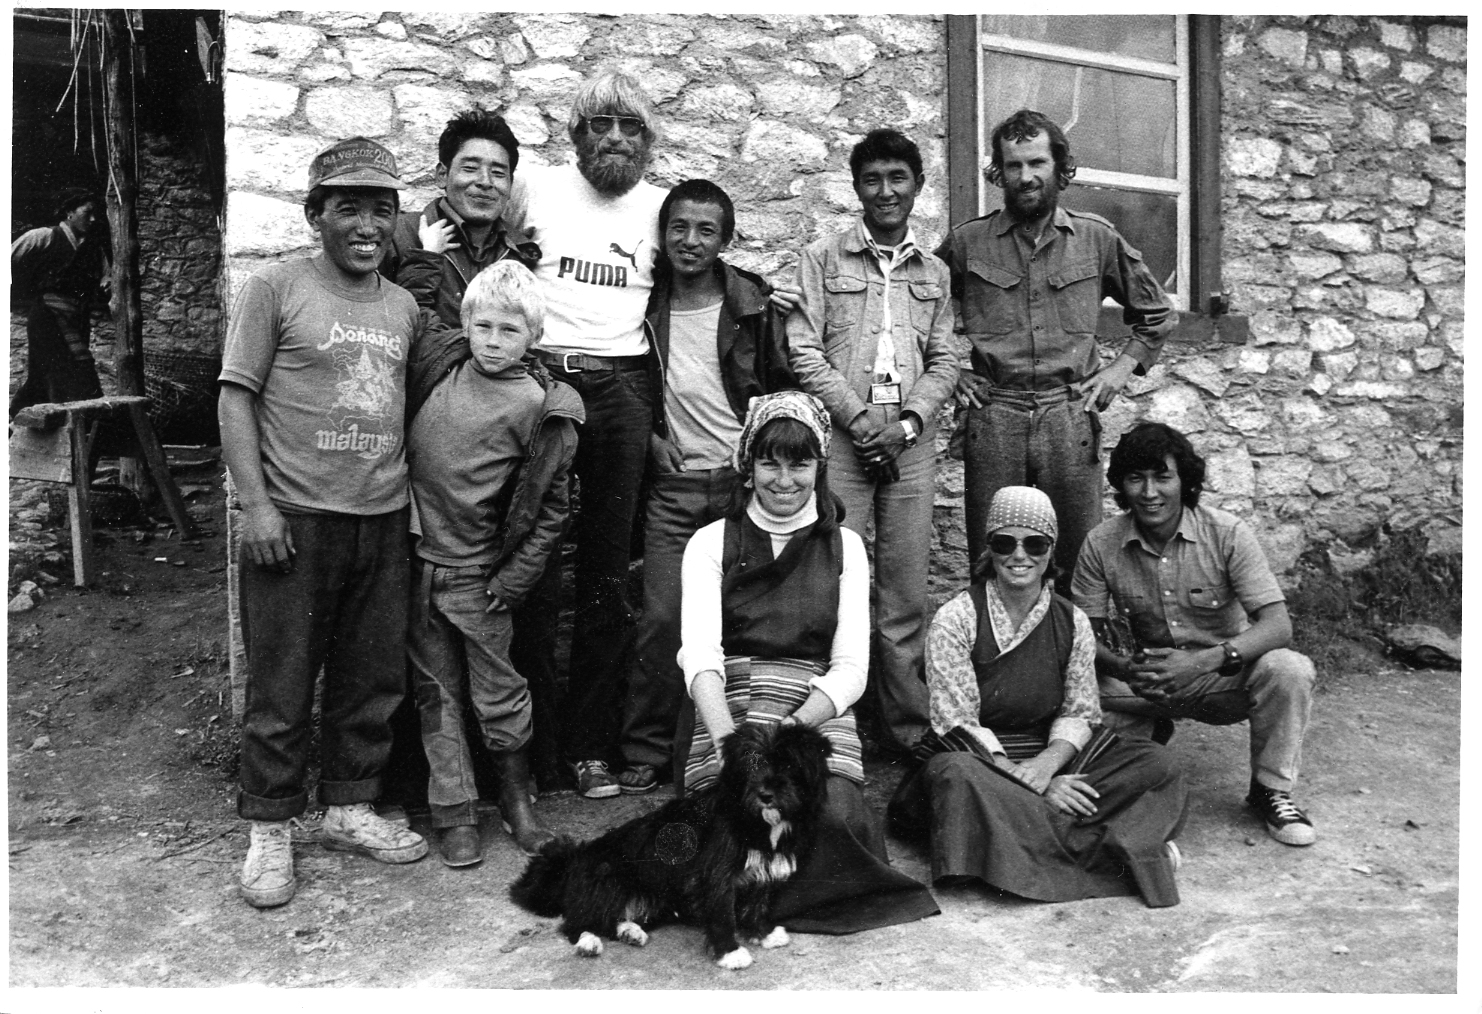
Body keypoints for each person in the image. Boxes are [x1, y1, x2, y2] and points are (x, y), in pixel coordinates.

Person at [218, 137, 428, 909]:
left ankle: (348, 806)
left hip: (382, 516)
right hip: (297, 520)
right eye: (348, 207)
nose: (367, 224)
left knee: (370, 680)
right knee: (280, 681)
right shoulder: (275, 287)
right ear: (316, 216)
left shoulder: (403, 306)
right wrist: (257, 505)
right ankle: (270, 829)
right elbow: (235, 396)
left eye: (381, 208)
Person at [677, 390, 938, 932]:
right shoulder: (709, 542)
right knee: (727, 819)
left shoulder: (845, 545)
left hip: (810, 706)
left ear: (820, 469)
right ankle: (732, 899)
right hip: (731, 703)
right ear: (747, 467)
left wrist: (787, 738)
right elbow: (700, 655)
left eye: (800, 463)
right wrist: (734, 748)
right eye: (768, 461)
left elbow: (850, 670)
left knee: (831, 816)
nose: (783, 478)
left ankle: (758, 902)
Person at [889, 486, 1188, 908]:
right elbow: (956, 722)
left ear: (1050, 550)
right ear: (988, 550)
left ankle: (1018, 848)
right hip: (983, 763)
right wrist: (1033, 786)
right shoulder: (956, 618)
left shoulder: (1073, 620)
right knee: (953, 774)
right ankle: (1116, 854)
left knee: (1159, 765)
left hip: (1048, 753)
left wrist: (1047, 768)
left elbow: (1079, 710)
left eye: (1034, 543)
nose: (1019, 555)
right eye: (1004, 542)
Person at [497, 68, 668, 799]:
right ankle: (529, 750)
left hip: (624, 387)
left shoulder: (661, 208)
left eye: (631, 128)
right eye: (601, 126)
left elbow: (703, 275)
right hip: (542, 380)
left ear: (648, 142)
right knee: (530, 561)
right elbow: (461, 230)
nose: (617, 140)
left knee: (605, 571)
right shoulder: (533, 186)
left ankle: (591, 747)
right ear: (577, 135)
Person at [935, 109, 1179, 592]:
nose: (1025, 176)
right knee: (994, 554)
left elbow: (1157, 313)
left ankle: (1073, 660)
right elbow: (916, 310)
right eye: (1013, 165)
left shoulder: (1096, 238)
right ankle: (995, 661)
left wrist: (1119, 369)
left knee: (1077, 557)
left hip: (1069, 415)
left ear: (1059, 167)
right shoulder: (967, 242)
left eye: (1037, 163)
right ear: (999, 173)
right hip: (995, 415)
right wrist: (951, 374)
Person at [614, 179, 796, 795]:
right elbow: (625, 381)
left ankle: (735, 747)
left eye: (706, 230)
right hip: (674, 487)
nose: (690, 241)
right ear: (662, 234)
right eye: (679, 228)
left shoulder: (751, 305)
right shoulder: (641, 301)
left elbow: (779, 387)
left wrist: (760, 461)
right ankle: (646, 747)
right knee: (664, 617)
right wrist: (647, 440)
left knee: (746, 620)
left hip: (741, 488)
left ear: (726, 239)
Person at [404, 261, 583, 866]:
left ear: (533, 336)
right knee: (437, 695)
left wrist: (515, 577)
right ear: (466, 325)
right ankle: (454, 813)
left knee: (498, 694)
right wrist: (427, 253)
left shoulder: (538, 406)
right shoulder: (443, 368)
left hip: (479, 579)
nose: (494, 341)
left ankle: (516, 804)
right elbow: (418, 307)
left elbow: (551, 509)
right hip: (418, 567)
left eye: (510, 330)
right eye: (483, 326)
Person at [787, 128, 959, 753]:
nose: (885, 192)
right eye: (872, 180)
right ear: (856, 187)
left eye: (898, 179)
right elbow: (803, 349)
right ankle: (836, 728)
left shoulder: (934, 272)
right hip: (844, 437)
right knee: (837, 580)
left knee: (905, 593)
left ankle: (906, 732)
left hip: (909, 440)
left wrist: (908, 423)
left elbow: (945, 359)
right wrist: (857, 419)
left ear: (917, 185)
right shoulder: (823, 259)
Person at [1072, 422, 1318, 846]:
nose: (1149, 493)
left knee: (1289, 669)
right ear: (1121, 486)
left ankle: (1270, 791)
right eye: (1136, 478)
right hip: (1146, 680)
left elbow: (1278, 625)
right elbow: (1082, 633)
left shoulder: (1226, 533)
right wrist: (1123, 666)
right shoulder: (1101, 542)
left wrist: (1201, 662)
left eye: (1162, 477)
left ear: (1184, 481)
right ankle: (1148, 734)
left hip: (1219, 674)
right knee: (1074, 691)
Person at [380, 108, 539, 329]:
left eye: (498, 173)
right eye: (470, 168)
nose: (485, 181)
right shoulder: (399, 236)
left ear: (510, 185)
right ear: (442, 176)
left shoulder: (520, 253)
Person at [9, 190, 107, 416]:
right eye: (87, 212)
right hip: (47, 317)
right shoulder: (43, 236)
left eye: (96, 214)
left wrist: (107, 283)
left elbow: (106, 275)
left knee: (46, 373)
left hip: (77, 317)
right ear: (69, 212)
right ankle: (73, 424)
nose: (93, 219)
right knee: (66, 368)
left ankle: (19, 417)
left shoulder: (93, 247)